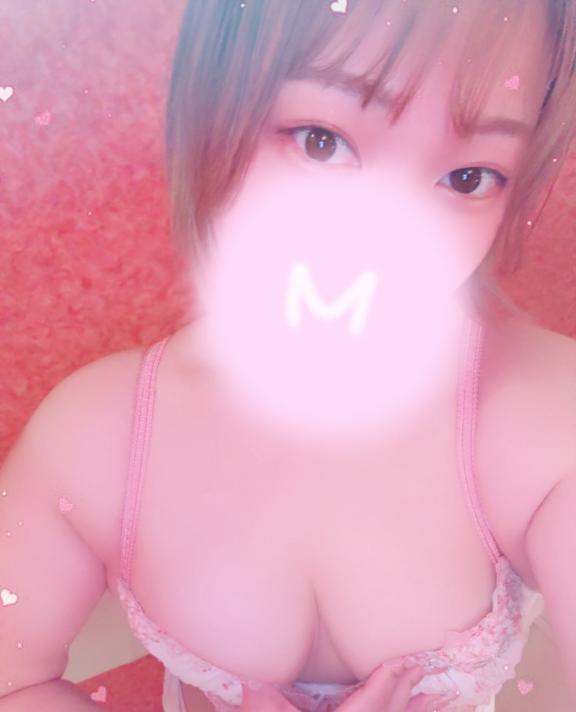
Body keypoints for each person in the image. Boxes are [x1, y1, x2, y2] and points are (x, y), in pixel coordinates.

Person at [1, 1, 575, 711]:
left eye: (468, 177)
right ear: (216, 112)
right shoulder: (97, 435)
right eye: (322, 142)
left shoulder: (544, 414)